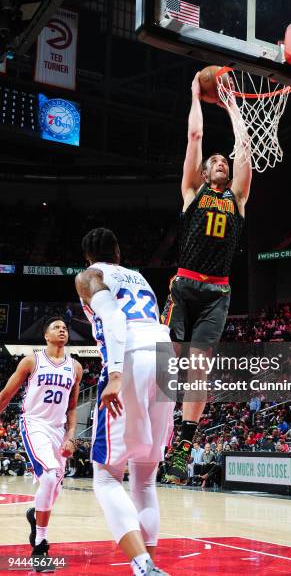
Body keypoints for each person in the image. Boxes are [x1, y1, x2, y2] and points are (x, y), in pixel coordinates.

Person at [161, 71, 252, 483]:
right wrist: (195, 94)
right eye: (215, 160)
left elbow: (245, 146)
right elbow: (195, 139)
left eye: (224, 161)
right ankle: (159, 429)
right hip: (183, 287)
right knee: (170, 366)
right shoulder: (192, 192)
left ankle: (183, 445)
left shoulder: (238, 197)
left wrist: (232, 105)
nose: (220, 161)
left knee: (198, 369)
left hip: (217, 293)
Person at [75, 227, 174, 576]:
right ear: (118, 252)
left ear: (88, 257)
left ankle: (142, 564)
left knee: (105, 476)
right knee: (145, 479)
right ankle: (148, 566)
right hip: (165, 358)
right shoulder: (139, 277)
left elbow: (115, 318)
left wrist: (115, 375)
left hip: (131, 358)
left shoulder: (89, 275)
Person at [0, 318, 82, 570]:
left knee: (54, 486)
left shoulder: (75, 367)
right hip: (34, 424)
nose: (62, 330)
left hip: (58, 430)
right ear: (45, 335)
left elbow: (71, 407)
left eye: (65, 328)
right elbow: (6, 394)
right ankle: (40, 545)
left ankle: (35, 513)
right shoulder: (31, 361)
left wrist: (70, 436)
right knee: (48, 476)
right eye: (56, 327)